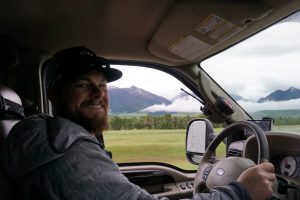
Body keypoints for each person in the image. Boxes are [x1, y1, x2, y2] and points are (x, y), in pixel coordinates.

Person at [1, 46, 276, 200]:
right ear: (53, 94)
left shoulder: (44, 141)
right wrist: (240, 191)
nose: (98, 94)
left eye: (101, 85)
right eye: (83, 84)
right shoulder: (66, 153)